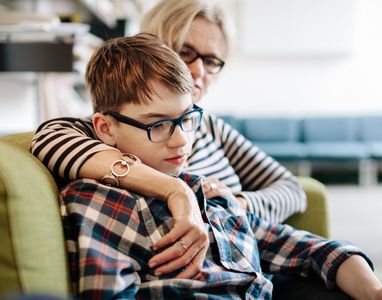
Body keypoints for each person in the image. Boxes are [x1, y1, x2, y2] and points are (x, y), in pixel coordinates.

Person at [60, 33, 382, 300]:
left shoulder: (207, 192)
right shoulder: (100, 202)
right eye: (157, 125)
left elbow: (311, 249)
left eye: (187, 119)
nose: (181, 141)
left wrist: (375, 291)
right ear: (105, 128)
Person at [32, 0, 306, 278]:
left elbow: (291, 189)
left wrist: (236, 203)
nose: (198, 70)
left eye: (211, 60)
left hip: (257, 261)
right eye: (186, 52)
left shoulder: (211, 126)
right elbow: (49, 140)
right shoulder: (112, 130)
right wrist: (178, 190)